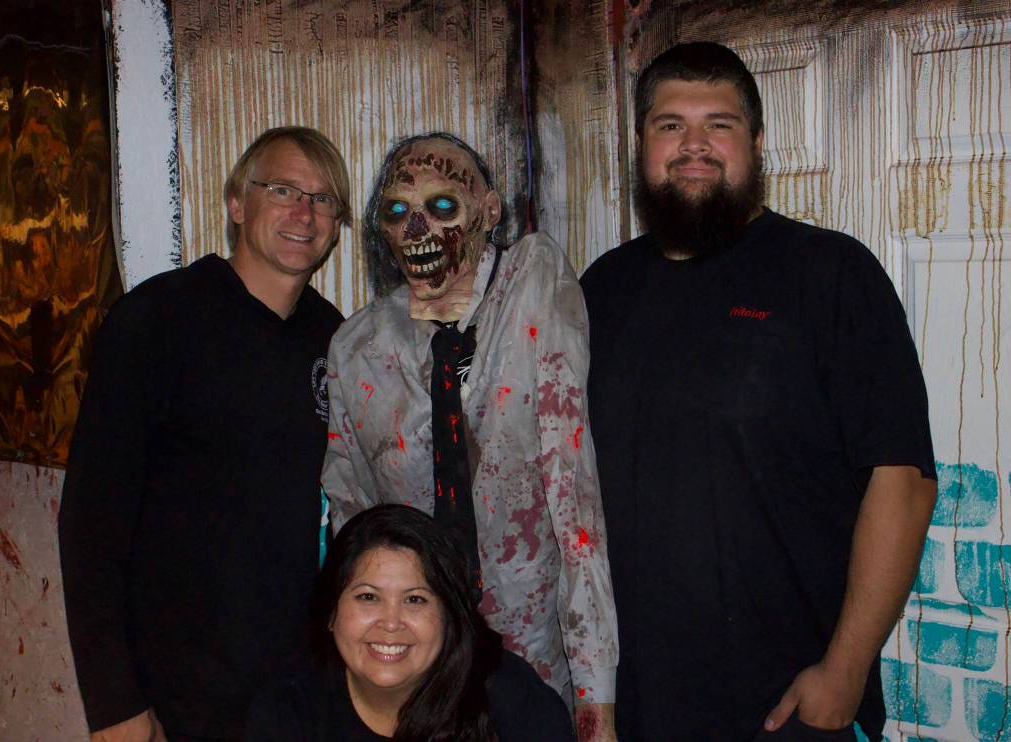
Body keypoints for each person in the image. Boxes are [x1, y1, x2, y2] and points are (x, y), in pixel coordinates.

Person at [581, 42, 937, 741]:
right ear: (640, 144)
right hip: (635, 699)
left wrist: (846, 669)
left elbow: (904, 479)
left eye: (720, 124)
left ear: (758, 143)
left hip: (785, 704)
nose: (694, 145)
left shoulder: (829, 273)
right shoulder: (602, 286)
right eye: (669, 125)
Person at [321, 132, 618, 740]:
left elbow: (573, 498)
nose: (416, 228)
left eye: (443, 206)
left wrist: (597, 704)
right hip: (414, 675)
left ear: (489, 208)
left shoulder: (533, 285)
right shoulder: (358, 350)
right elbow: (354, 532)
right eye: (397, 212)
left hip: (537, 669)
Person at [59, 126, 352, 741]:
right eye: (284, 189)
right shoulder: (157, 320)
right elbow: (92, 522)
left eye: (324, 199)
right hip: (176, 691)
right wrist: (114, 704)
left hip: (297, 690)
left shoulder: (336, 339)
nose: (305, 212)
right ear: (237, 204)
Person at [245, 504, 575, 741]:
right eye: (368, 597)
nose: (391, 623)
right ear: (330, 612)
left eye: (415, 599)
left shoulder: (508, 695)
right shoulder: (289, 711)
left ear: (450, 617)